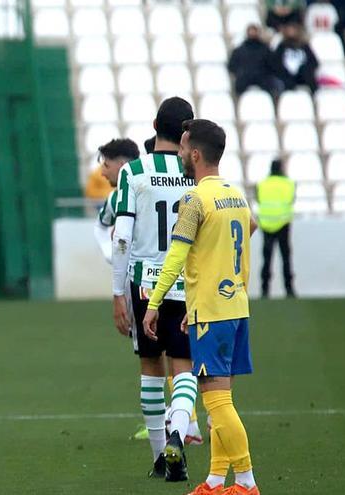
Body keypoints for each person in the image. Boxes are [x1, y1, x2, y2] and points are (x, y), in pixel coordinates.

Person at [144, 119, 260, 495]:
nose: (178, 154)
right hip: (234, 307)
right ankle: (214, 480)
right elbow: (252, 226)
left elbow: (175, 257)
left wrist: (154, 304)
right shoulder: (235, 194)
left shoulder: (195, 199)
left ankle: (245, 482)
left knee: (217, 401)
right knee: (219, 399)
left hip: (212, 310)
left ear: (194, 154)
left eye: (181, 148)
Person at [111, 97, 199, 482]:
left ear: (153, 125)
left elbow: (122, 239)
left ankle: (160, 454)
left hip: (144, 282)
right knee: (183, 367)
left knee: (150, 366)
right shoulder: (195, 172)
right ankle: (179, 435)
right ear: (186, 131)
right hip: (187, 281)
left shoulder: (134, 171)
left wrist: (118, 293)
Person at [94, 138, 140, 264]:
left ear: (122, 165)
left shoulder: (149, 193)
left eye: (107, 165)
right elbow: (100, 227)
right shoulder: (114, 198)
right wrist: (111, 255)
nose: (103, 173)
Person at [257, 159, 296, 298]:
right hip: (283, 223)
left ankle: (264, 290)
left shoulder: (262, 184)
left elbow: (259, 200)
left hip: (266, 224)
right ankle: (289, 289)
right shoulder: (289, 184)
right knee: (285, 257)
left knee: (267, 259)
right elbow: (291, 200)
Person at [228, 25, 280, 97]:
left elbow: (273, 65)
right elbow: (232, 66)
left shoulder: (266, 49)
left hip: (262, 78)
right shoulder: (239, 50)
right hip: (244, 79)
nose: (252, 33)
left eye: (254, 31)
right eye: (251, 31)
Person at [273, 22, 320, 94]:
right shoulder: (281, 47)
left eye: (293, 29)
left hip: (303, 75)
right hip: (286, 76)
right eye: (289, 30)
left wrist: (304, 69)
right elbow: (276, 63)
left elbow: (314, 62)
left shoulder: (304, 46)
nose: (291, 32)